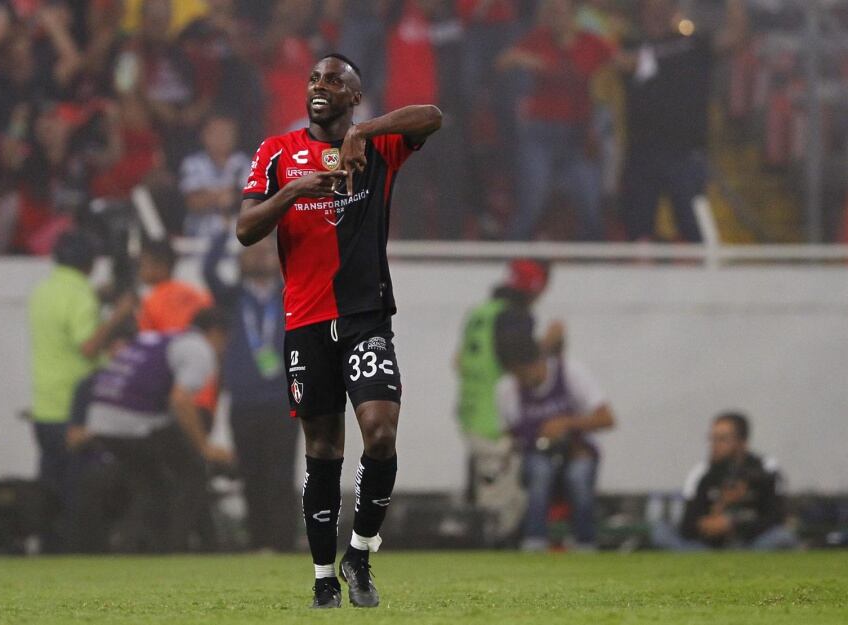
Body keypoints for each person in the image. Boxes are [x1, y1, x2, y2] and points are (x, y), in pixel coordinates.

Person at [237, 53, 442, 608]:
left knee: (379, 432)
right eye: (314, 78)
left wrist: (364, 132)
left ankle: (361, 552)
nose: (320, 86)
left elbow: (432, 115)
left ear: (355, 95)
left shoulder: (378, 146)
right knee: (323, 449)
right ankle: (324, 573)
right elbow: (245, 229)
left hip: (364, 314)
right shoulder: (275, 152)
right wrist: (292, 192)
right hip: (305, 320)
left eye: (335, 81)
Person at [67, 308, 234, 553]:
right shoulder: (199, 348)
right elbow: (180, 400)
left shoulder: (164, 338)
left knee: (151, 486)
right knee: (194, 472)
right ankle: (174, 547)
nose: (224, 349)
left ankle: (134, 547)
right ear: (217, 333)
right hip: (134, 419)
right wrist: (204, 447)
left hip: (102, 418)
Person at [27, 230, 135, 552]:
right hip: (71, 407)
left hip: (43, 405)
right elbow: (87, 346)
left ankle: (46, 547)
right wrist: (119, 314)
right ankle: (75, 550)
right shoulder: (80, 294)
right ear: (89, 263)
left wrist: (98, 298)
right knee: (78, 490)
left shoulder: (43, 291)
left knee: (49, 487)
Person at [616, 0, 747, 242]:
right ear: (642, 10)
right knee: (638, 232)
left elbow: (734, 37)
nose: (660, 9)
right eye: (654, 6)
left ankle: (696, 274)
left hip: (686, 151)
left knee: (692, 230)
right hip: (642, 151)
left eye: (667, 5)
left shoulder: (694, 44)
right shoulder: (629, 45)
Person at [203, 230, 297, 552]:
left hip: (283, 400)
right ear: (241, 259)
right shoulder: (231, 299)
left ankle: (284, 544)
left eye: (267, 251)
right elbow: (208, 269)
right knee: (251, 475)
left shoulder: (291, 295)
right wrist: (228, 229)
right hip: (243, 401)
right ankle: (258, 543)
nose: (260, 256)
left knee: (281, 476)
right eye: (252, 251)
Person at [455, 259, 561, 535]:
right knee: (503, 503)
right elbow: (526, 370)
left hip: (470, 412)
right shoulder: (514, 317)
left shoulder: (480, 313)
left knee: (488, 492)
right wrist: (549, 344)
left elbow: (457, 362)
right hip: (494, 418)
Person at [496, 0, 615, 240]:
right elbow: (502, 62)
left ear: (572, 15)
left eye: (560, 12)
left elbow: (621, 61)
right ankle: (510, 255)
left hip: (578, 135)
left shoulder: (590, 42)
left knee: (589, 201)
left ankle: (595, 263)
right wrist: (525, 59)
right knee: (532, 199)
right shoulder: (538, 39)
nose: (555, 18)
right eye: (551, 13)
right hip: (541, 132)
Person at [495, 335, 615, 552]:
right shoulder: (507, 388)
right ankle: (534, 541)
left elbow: (607, 419)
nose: (521, 379)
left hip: (577, 449)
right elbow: (510, 434)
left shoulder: (571, 373)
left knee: (578, 476)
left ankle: (585, 542)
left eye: (524, 371)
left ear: (539, 361)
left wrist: (566, 424)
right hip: (537, 453)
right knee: (540, 474)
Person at [652, 412, 798, 551]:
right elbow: (688, 525)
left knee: (781, 537)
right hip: (709, 546)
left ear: (742, 442)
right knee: (661, 532)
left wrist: (733, 525)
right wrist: (715, 514)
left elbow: (775, 518)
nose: (714, 445)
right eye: (712, 439)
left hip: (751, 544)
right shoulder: (705, 473)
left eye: (722, 439)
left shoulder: (764, 471)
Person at [179, 115, 252, 238]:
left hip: (237, 237)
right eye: (217, 133)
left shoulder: (244, 163)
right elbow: (192, 201)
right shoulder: (193, 163)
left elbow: (252, 200)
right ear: (204, 135)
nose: (222, 137)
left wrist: (231, 197)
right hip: (199, 237)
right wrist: (222, 197)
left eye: (227, 132)